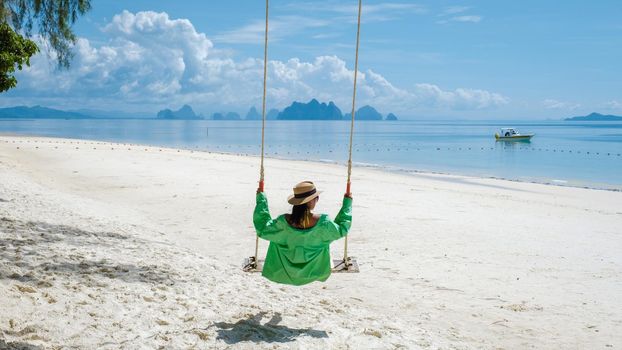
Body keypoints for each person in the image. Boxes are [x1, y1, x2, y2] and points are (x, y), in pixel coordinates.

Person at [253, 181, 352, 286]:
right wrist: (347, 202)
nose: (317, 201)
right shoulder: (323, 224)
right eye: (316, 198)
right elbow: (342, 229)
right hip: (314, 272)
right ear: (311, 201)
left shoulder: (282, 223)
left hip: (283, 272)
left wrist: (261, 199)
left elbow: (262, 228)